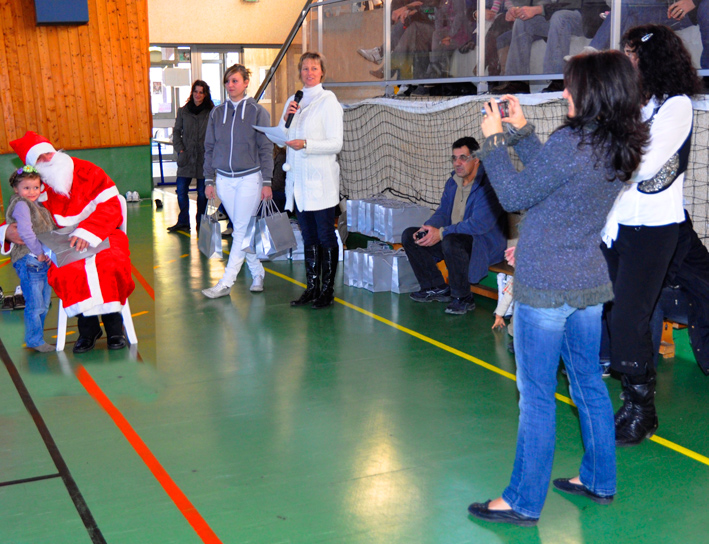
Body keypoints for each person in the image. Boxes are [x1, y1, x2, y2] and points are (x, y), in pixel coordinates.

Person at [468, 50, 649, 525]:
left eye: (571, 86)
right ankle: (599, 480)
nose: (565, 92)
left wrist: (491, 142)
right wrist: (521, 131)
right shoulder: (613, 145)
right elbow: (552, 179)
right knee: (588, 383)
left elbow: (515, 194)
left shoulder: (575, 143)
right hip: (587, 281)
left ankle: (522, 500)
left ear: (593, 92)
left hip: (547, 285)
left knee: (536, 396)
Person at [601, 24, 702, 447]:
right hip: (618, 225)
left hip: (655, 229)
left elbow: (638, 166)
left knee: (630, 316)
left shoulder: (677, 107)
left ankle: (643, 410)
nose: (628, 61)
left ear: (653, 59)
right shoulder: (640, 106)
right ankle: (630, 401)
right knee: (614, 312)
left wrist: (612, 147)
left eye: (632, 54)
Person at [2, 131, 135, 353]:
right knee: (68, 270)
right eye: (39, 159)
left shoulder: (88, 171)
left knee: (111, 264)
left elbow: (112, 205)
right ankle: (88, 330)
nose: (46, 159)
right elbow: (20, 216)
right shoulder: (35, 187)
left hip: (103, 232)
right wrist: (7, 232)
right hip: (61, 240)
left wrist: (87, 231)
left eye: (47, 153)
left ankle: (114, 327)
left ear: (55, 151)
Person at [401, 136, 506, 315]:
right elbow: (442, 213)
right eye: (454, 158)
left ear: (476, 158)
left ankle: (463, 297)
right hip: (454, 237)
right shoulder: (453, 182)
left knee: (451, 241)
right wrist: (428, 228)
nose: (457, 163)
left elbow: (478, 225)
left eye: (463, 158)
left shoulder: (489, 186)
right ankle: (435, 287)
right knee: (409, 236)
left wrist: (441, 233)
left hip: (483, 244)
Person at [201, 64, 273, 298]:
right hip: (223, 180)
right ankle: (258, 272)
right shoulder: (216, 113)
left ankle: (226, 282)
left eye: (235, 81)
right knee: (243, 230)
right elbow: (209, 148)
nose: (230, 85)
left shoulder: (257, 112)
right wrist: (208, 180)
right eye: (228, 81)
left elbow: (265, 147)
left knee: (240, 229)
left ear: (245, 83)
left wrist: (267, 181)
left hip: (250, 180)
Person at [279, 52, 344, 309]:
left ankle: (327, 291)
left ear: (322, 72)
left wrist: (306, 144)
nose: (309, 72)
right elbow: (281, 138)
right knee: (308, 237)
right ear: (300, 72)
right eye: (305, 68)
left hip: (321, 182)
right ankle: (311, 287)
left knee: (325, 235)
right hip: (298, 184)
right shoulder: (293, 101)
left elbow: (336, 143)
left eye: (314, 68)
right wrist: (285, 122)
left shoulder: (329, 101)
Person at [5, 166, 55, 352]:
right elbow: (25, 232)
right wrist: (39, 252)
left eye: (36, 187)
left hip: (40, 260)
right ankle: (35, 340)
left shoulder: (36, 205)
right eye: (26, 188)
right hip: (30, 260)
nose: (32, 192)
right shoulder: (21, 205)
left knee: (43, 304)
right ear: (16, 189)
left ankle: (37, 337)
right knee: (35, 305)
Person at [491, 0, 583, 94]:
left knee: (559, 17)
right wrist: (517, 10)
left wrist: (539, 9)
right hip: (550, 16)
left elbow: (571, 3)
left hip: (582, 17)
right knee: (522, 21)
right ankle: (518, 82)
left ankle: (558, 81)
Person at [169, 80, 214, 234]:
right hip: (186, 158)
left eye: (201, 92)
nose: (198, 95)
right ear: (192, 92)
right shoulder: (183, 111)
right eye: (196, 91)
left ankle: (201, 222)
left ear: (205, 94)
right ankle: (183, 222)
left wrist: (211, 151)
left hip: (204, 158)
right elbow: (176, 132)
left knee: (202, 193)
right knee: (181, 191)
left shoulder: (211, 112)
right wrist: (180, 150)